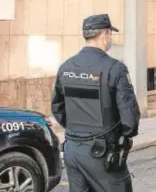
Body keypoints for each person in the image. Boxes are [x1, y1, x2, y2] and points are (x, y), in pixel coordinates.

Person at [51, 14, 140, 192]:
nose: (110, 39)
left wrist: (78, 130)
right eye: (110, 34)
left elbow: (57, 107)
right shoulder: (115, 68)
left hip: (73, 149)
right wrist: (120, 136)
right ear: (104, 34)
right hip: (102, 152)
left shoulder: (66, 67)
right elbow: (130, 118)